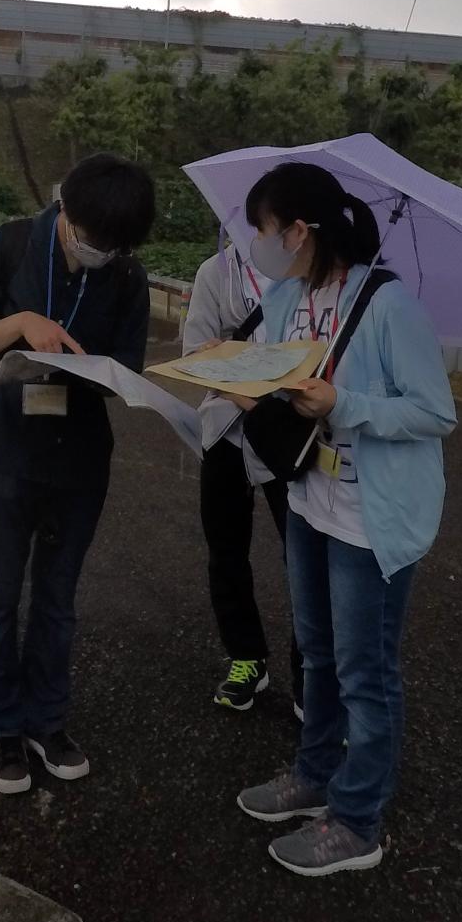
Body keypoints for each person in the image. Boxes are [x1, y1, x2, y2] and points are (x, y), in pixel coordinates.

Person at [231, 162, 455, 877]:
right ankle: (314, 773)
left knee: (366, 671)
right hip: (310, 501)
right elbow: (272, 374)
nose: (258, 243)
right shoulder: (285, 296)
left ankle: (358, 821)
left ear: (299, 230)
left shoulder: (389, 306)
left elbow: (434, 413)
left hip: (371, 516)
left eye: (264, 230)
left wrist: (344, 405)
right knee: (318, 653)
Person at [0, 153, 156, 796]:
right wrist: (21, 325)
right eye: (92, 236)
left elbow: (127, 367)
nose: (102, 251)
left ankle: (45, 722)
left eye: (117, 245)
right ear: (65, 209)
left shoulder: (127, 276)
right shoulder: (7, 246)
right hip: (0, 453)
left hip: (78, 460)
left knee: (57, 599)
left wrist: (97, 373)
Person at [184, 238, 302, 714]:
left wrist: (241, 370)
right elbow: (195, 354)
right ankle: (246, 657)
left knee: (303, 556)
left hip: (288, 433)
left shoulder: (306, 273)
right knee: (226, 552)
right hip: (226, 430)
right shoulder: (216, 272)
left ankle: (308, 670)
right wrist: (228, 373)